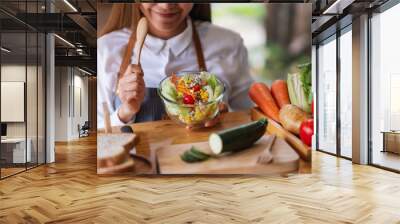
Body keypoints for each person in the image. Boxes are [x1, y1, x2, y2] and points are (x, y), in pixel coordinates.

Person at [97, 3, 253, 129]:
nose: (166, 5)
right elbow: (97, 136)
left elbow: (248, 117)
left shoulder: (230, 44)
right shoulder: (105, 49)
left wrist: (224, 118)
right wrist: (125, 112)